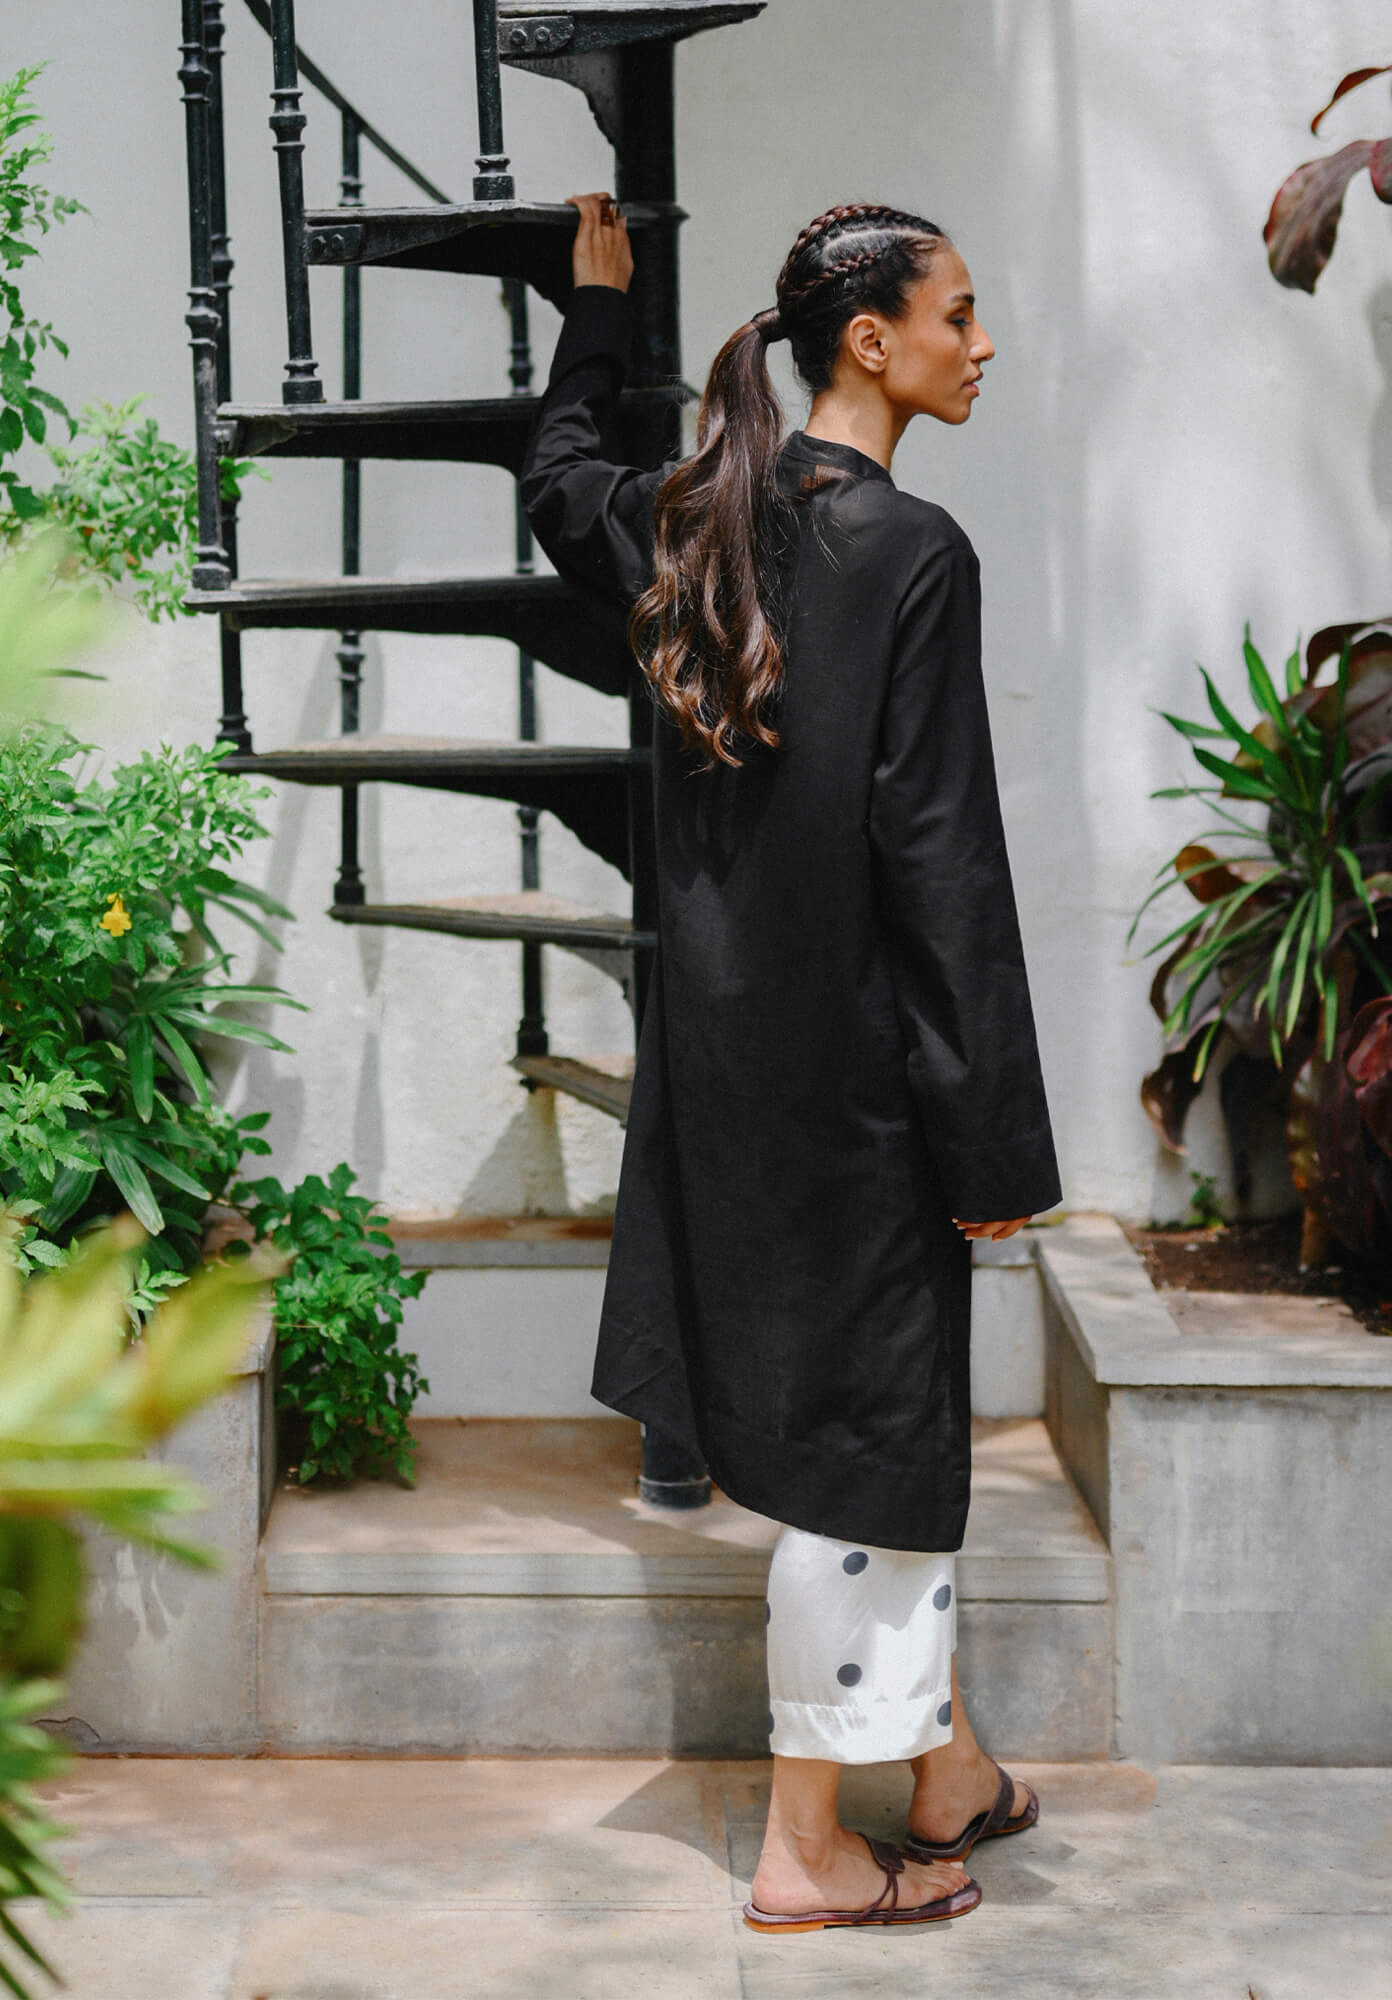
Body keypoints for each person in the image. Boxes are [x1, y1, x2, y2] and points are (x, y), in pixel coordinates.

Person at [521, 195, 1062, 1935]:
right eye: (959, 315)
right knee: (863, 1445)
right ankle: (805, 1848)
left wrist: (594, 310)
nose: (983, 343)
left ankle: (948, 1771)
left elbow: (556, 486)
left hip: (721, 1066)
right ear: (871, 342)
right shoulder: (913, 552)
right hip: (859, 1087)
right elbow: (942, 861)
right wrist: (992, 1142)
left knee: (858, 1428)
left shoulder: (691, 519)